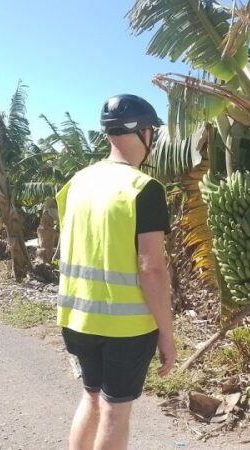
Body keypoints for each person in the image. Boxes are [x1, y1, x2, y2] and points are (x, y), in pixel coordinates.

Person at [55, 94, 176, 450]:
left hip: (78, 317)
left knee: (91, 398)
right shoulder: (144, 189)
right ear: (144, 133)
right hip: (126, 325)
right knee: (115, 411)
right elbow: (151, 269)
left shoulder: (76, 182)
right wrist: (166, 336)